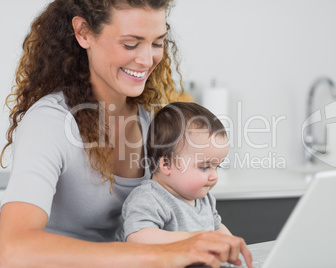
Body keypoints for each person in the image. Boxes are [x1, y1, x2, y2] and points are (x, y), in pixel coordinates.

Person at [0, 1, 252, 267]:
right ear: (83, 32)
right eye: (131, 44)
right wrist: (170, 253)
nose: (147, 59)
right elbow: (12, 249)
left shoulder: (150, 120)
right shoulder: (50, 122)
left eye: (157, 43)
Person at [121, 102, 231, 244]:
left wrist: (234, 248)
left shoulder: (204, 199)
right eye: (204, 167)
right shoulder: (149, 198)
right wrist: (193, 239)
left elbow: (217, 228)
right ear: (167, 164)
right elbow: (138, 238)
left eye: (217, 166)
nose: (214, 176)